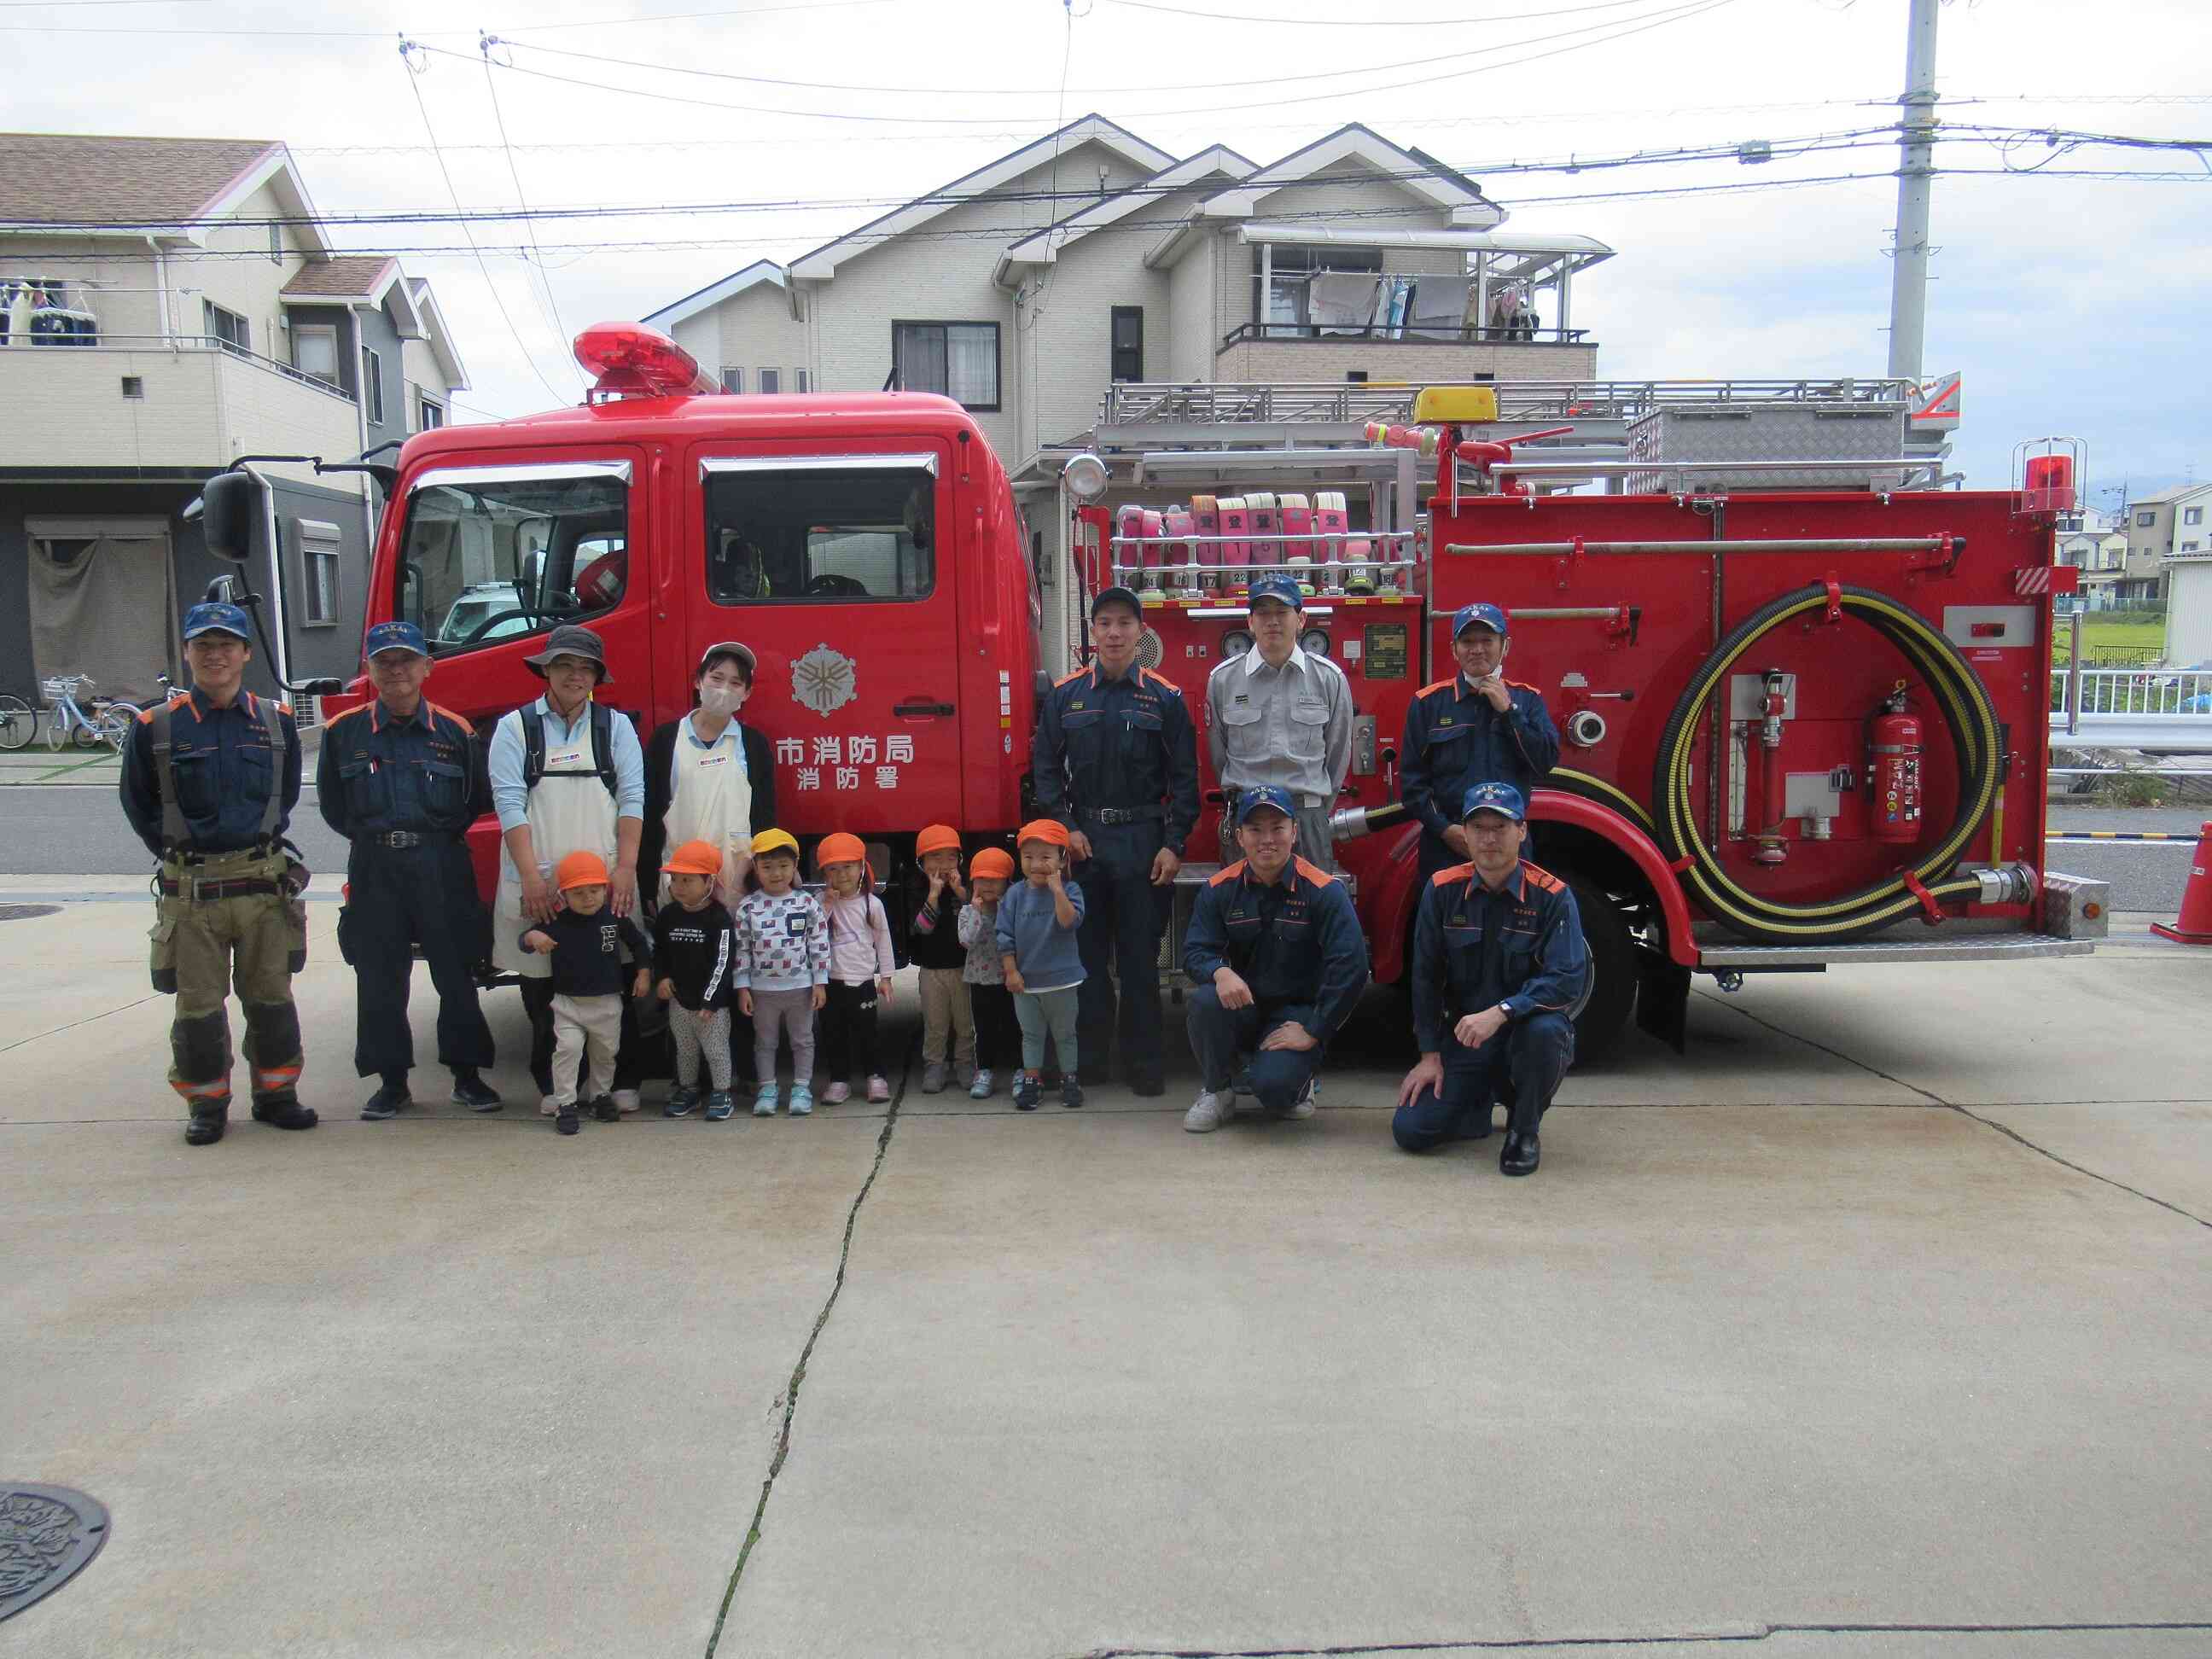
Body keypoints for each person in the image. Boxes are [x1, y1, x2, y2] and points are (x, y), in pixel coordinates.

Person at [120, 601, 315, 1147]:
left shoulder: (276, 722)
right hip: (194, 893)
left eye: (226, 645)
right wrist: (185, 855)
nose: (215, 655)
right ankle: (206, 1103)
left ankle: (277, 1094)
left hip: (263, 887)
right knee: (199, 1007)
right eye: (203, 645)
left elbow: (287, 796)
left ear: (246, 654)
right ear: (186, 653)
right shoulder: (155, 726)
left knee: (272, 998)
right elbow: (139, 805)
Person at [317, 620, 499, 1121]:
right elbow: (334, 808)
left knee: (456, 972)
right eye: (384, 662)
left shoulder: (456, 731)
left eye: (405, 661)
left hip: (440, 863)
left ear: (427, 667)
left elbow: (475, 802)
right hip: (375, 866)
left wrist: (429, 840)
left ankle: (467, 1075)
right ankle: (391, 1082)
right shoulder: (341, 733)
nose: (395, 671)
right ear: (370, 669)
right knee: (379, 977)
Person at [1030, 585, 1199, 1096]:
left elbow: (1187, 779)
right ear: (1092, 632)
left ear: (1140, 631)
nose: (1115, 632)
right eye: (1105, 623)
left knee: (1139, 962)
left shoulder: (1165, 699)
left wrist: (1174, 843)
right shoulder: (1067, 695)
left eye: (1125, 623)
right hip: (1085, 843)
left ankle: (1145, 1067)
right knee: (1086, 961)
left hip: (1144, 843)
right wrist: (1066, 827)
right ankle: (1092, 1065)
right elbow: (1044, 770)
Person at [486, 625, 647, 1117]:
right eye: (564, 665)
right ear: (546, 671)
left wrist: (627, 867)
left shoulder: (615, 727)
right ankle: (556, 1087)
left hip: (606, 879)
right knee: (543, 984)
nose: (575, 676)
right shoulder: (514, 728)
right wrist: (531, 877)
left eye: (585, 668)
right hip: (539, 875)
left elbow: (633, 797)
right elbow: (509, 804)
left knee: (614, 975)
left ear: (597, 676)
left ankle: (621, 1079)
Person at [1393, 783, 1587, 1176]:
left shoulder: (1552, 896)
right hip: (1469, 1038)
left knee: (1546, 1031)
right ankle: (1477, 1099)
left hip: (1521, 1032)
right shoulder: (1442, 890)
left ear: (1522, 831)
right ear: (1464, 834)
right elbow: (1425, 976)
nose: (1489, 838)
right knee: (1412, 1130)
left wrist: (1502, 1012)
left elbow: (1568, 979)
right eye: (1478, 827)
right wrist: (1430, 1055)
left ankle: (1525, 1126)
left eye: (1500, 827)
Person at [1179, 785, 1369, 1133]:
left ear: (1294, 833)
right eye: (1255, 830)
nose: (1267, 839)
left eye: (1277, 828)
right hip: (1244, 1006)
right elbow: (1194, 951)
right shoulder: (1219, 888)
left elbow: (1352, 967)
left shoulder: (1324, 891)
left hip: (1296, 1014)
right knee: (1206, 1000)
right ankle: (1218, 1091)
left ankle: (1296, 1080)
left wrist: (1314, 1029)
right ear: (1239, 836)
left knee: (1277, 1093)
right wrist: (1220, 971)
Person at [641, 642, 777, 1089]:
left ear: (747, 694)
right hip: (679, 878)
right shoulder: (666, 740)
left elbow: (766, 817)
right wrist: (645, 879)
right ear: (697, 682)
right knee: (681, 971)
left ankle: (734, 1073)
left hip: (735, 878)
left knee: (734, 973)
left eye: (735, 683)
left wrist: (763, 875)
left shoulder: (752, 744)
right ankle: (687, 1077)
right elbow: (646, 812)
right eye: (715, 679)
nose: (724, 689)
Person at [1400, 602, 1560, 883]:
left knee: (1513, 925)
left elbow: (1544, 762)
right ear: (1454, 649)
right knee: (1446, 925)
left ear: (1505, 646)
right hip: (1447, 846)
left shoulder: (1528, 700)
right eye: (1467, 641)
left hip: (1509, 845)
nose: (1477, 649)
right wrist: (1446, 830)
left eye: (1487, 640)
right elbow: (1413, 783)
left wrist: (1509, 712)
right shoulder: (1428, 704)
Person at [1204, 574, 1355, 868]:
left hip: (1306, 817)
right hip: (1248, 819)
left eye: (1282, 612)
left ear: (1301, 619)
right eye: (1262, 613)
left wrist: (1312, 810)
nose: (1272, 621)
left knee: (1309, 912)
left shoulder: (1329, 679)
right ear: (1250, 622)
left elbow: (1338, 756)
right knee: (1243, 912)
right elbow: (1219, 756)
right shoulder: (1223, 680)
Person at [519, 849, 651, 1137]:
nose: (588, 898)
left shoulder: (613, 917)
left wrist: (643, 972)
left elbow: (639, 944)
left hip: (607, 1002)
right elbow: (524, 940)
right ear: (564, 895)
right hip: (568, 1004)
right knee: (567, 1050)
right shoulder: (557, 920)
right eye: (578, 893)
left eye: (595, 890)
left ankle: (600, 1096)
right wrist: (534, 936)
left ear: (606, 889)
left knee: (606, 1053)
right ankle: (565, 1104)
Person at [733, 828, 828, 1117]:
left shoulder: (807, 903)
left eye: (784, 866)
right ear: (756, 869)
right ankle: (767, 1088)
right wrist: (743, 987)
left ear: (795, 866)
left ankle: (801, 1088)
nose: (776, 873)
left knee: (803, 1039)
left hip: (800, 988)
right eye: (768, 867)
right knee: (765, 1042)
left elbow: (819, 944)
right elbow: (742, 950)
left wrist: (820, 983)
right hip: (762, 991)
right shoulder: (748, 907)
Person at [997, 819, 1087, 1112]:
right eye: (1028, 857)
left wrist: (1057, 890)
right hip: (1025, 983)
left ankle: (1069, 1079)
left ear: (1062, 858)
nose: (1036, 864)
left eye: (1046, 857)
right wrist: (1011, 971)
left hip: (1063, 980)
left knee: (1066, 1034)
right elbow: (1004, 937)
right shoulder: (1013, 895)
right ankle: (1032, 1080)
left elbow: (1068, 922)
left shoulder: (1071, 890)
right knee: (1032, 1035)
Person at [650, 839, 739, 1122]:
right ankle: (688, 1090)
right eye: (675, 880)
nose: (678, 887)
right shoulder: (668, 915)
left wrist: (711, 1001)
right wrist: (662, 978)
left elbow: (723, 963)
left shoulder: (719, 919)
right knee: (685, 1051)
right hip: (680, 1001)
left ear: (708, 883)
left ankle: (722, 1092)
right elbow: (660, 951)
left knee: (715, 1050)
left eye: (688, 880)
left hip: (711, 1005)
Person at [816, 831, 894, 1105]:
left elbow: (883, 940)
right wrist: (825, 904)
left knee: (867, 1033)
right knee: (833, 1034)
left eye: (848, 867)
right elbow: (812, 934)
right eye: (833, 869)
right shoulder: (821, 903)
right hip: (830, 982)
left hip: (861, 981)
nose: (842, 875)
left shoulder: (872, 904)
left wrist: (885, 977)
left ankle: (875, 1076)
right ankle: (839, 1080)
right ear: (825, 873)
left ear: (862, 867)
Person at [909, 824, 975, 1093]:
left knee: (964, 1022)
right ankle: (934, 1066)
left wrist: (961, 892)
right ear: (921, 862)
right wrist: (934, 894)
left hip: (963, 968)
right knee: (935, 1024)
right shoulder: (918, 890)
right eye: (935, 857)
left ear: (960, 861)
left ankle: (965, 1063)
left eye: (950, 857)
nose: (943, 864)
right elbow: (922, 928)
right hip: (931, 970)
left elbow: (980, 919)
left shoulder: (966, 887)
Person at [957, 847, 1019, 1101]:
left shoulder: (1013, 909)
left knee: (1015, 1027)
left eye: (995, 879)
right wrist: (978, 913)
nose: (988, 884)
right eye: (981, 880)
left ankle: (1020, 1070)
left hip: (1010, 979)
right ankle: (984, 1071)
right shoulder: (967, 912)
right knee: (984, 1029)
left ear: (1008, 882)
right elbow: (966, 940)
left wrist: (1006, 906)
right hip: (980, 981)